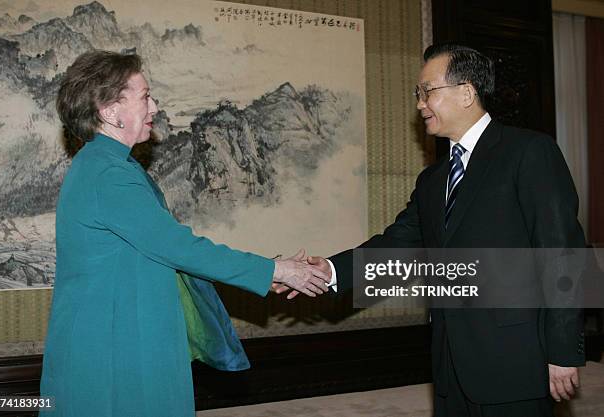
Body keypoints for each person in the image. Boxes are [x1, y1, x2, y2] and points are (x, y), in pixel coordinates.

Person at [300, 43, 586, 416]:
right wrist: (332, 270)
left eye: (427, 91)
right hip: (450, 361)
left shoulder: (529, 152)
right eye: (417, 94)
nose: (419, 104)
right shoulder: (433, 179)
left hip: (516, 356)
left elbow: (561, 252)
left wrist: (563, 350)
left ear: (466, 93)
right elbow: (399, 243)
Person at [40, 50, 330, 417]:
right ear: (110, 110)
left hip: (117, 334)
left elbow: (161, 246)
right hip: (115, 344)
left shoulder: (103, 165)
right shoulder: (108, 173)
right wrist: (277, 271)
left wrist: (267, 267)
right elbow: (178, 247)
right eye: (145, 96)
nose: (155, 106)